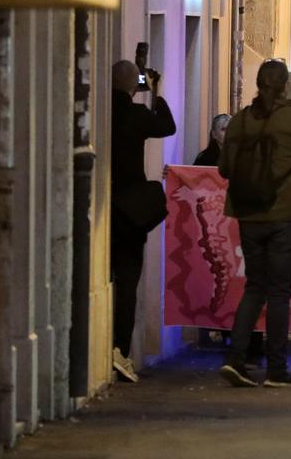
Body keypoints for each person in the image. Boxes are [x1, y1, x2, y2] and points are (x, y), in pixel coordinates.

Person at [218, 60, 291, 388]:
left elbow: (225, 169)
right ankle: (276, 370)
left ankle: (236, 359)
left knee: (254, 287)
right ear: (285, 86)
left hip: (248, 213)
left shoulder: (239, 121)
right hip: (285, 214)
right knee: (279, 292)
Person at [109, 58, 176, 383]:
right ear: (133, 84)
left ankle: (109, 344)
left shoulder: (103, 113)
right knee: (127, 279)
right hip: (129, 212)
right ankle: (119, 348)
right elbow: (166, 125)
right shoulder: (136, 114)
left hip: (104, 205)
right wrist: (155, 92)